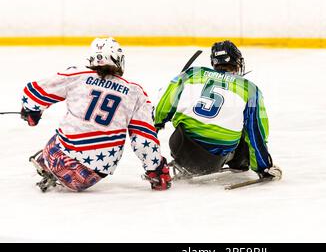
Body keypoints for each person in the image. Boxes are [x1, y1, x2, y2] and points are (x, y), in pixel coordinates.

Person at [21, 37, 171, 192]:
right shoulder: (136, 92)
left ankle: (46, 164)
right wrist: (156, 169)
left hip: (57, 159)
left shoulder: (77, 75)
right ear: (118, 60)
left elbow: (32, 93)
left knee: (66, 130)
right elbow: (143, 139)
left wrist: (31, 111)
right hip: (89, 177)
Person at [154, 40, 282, 181]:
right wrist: (264, 167)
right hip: (212, 161)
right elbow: (256, 132)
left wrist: (157, 124)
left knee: (184, 122)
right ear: (237, 61)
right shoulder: (250, 89)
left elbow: (164, 104)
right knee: (245, 130)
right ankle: (239, 163)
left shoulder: (192, 73)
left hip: (180, 146)